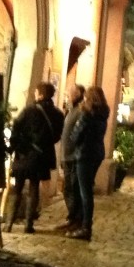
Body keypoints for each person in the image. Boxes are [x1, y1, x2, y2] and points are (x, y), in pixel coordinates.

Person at [6, 82, 64, 233]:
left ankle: (8, 224)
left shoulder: (29, 110)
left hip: (25, 154)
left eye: (36, 91)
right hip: (42, 156)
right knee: (34, 187)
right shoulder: (58, 114)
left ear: (41, 94)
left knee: (17, 188)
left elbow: (16, 127)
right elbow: (57, 136)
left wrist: (14, 146)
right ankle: (28, 225)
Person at [66, 85, 109, 241]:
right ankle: (81, 222)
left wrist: (72, 138)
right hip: (97, 153)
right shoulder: (103, 114)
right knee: (86, 188)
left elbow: (76, 136)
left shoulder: (86, 114)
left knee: (84, 192)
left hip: (85, 154)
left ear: (89, 98)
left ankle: (85, 226)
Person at [55, 82, 86, 232]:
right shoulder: (71, 110)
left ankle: (76, 219)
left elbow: (79, 135)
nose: (67, 95)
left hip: (74, 157)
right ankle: (72, 218)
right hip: (67, 157)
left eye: (70, 93)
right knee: (68, 188)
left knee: (73, 189)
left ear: (78, 95)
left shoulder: (80, 111)